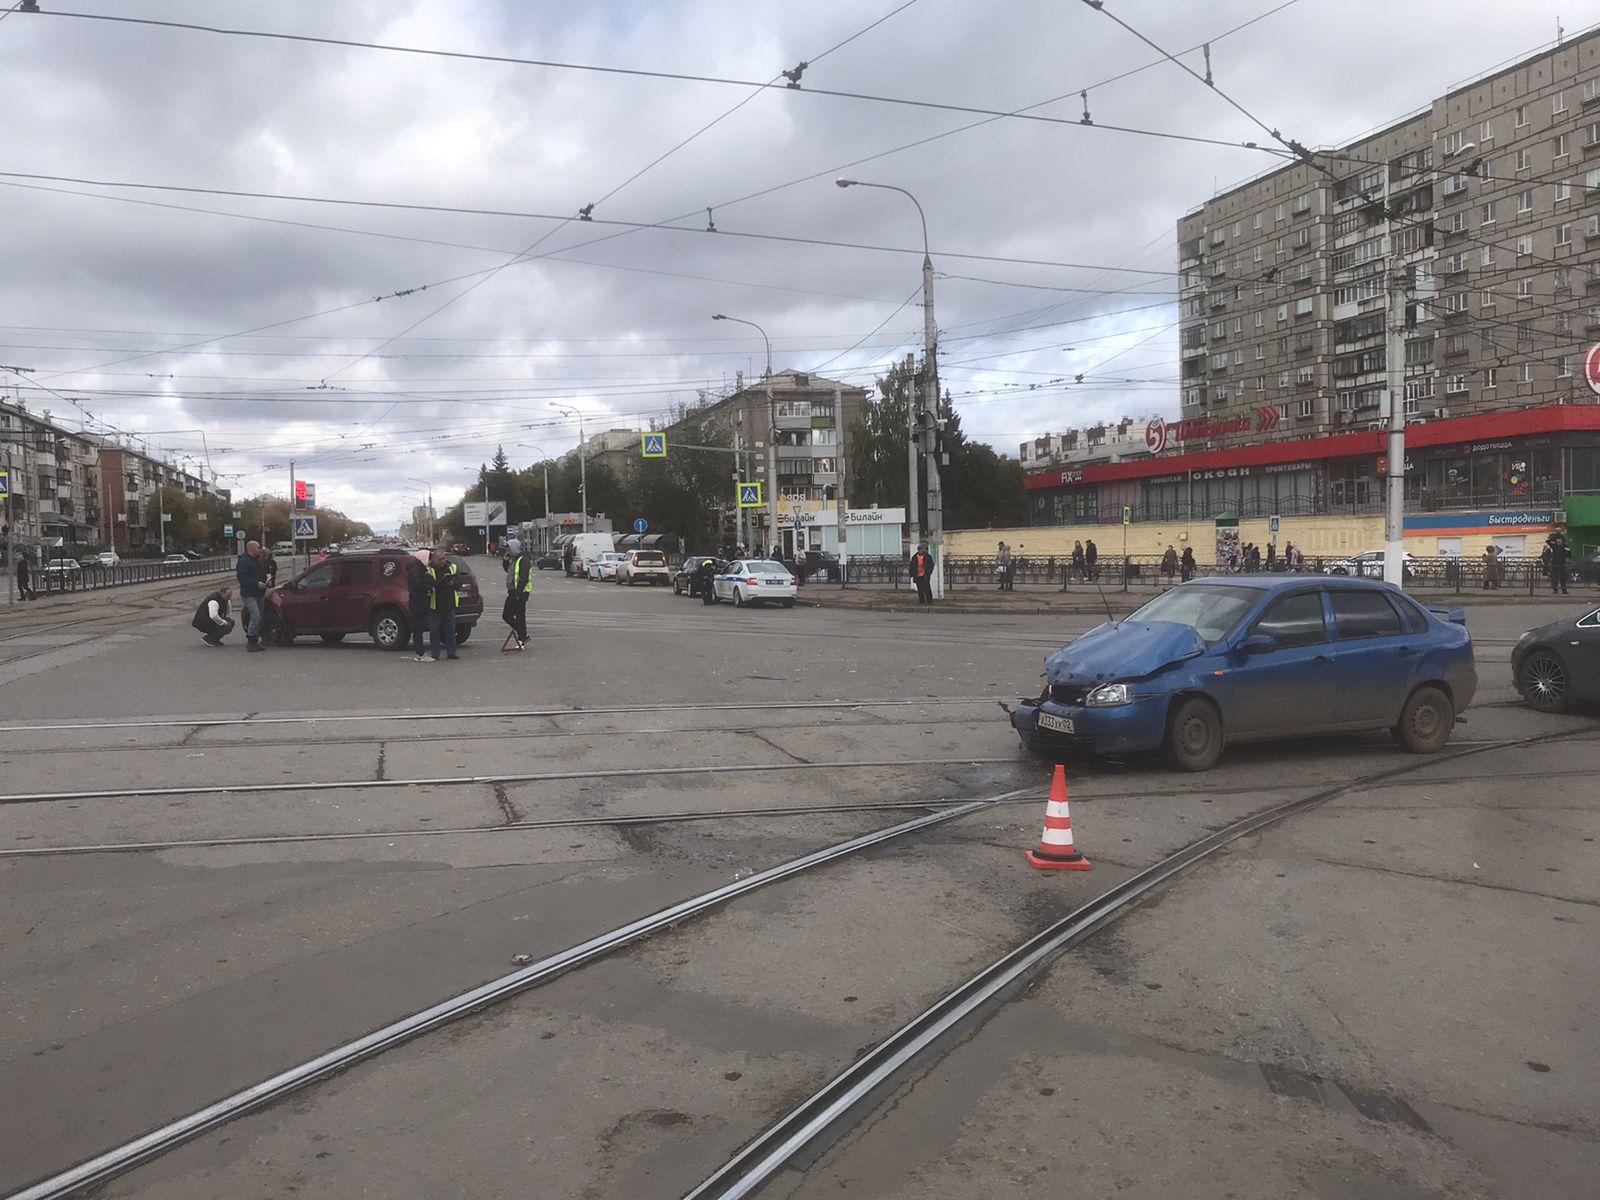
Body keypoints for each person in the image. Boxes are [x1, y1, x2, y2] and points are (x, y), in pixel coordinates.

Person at [426, 548, 461, 661]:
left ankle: (451, 652)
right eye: (440, 559)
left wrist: (453, 582)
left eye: (444, 558)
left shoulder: (452, 568)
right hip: (434, 606)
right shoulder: (428, 569)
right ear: (434, 559)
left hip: (449, 605)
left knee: (450, 630)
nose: (442, 561)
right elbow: (433, 584)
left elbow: (459, 583)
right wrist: (444, 582)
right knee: (434, 631)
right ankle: (435, 654)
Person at [236, 540, 268, 652]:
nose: (260, 550)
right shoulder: (244, 562)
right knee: (256, 616)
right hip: (249, 594)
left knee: (259, 617)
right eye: (258, 548)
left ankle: (256, 640)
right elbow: (242, 578)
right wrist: (256, 583)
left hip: (260, 593)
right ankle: (251, 640)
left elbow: (261, 574)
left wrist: (266, 581)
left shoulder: (258, 561)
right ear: (251, 549)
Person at [503, 547, 533, 649]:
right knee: (516, 616)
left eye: (509, 549)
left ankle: (522, 636)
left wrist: (517, 594)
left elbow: (523, 579)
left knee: (510, 615)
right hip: (513, 592)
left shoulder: (523, 560)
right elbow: (507, 570)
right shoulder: (514, 560)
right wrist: (505, 560)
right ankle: (522, 636)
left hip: (520, 593)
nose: (508, 551)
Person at [406, 551, 433, 661]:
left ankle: (420, 652)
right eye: (429, 558)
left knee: (419, 628)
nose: (430, 561)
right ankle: (420, 653)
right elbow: (418, 583)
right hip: (418, 602)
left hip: (418, 601)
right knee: (418, 628)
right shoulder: (417, 569)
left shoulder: (417, 567)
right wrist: (428, 588)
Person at [1544, 531, 1571, 595]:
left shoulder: (1565, 547)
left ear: (1562, 541)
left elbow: (1569, 555)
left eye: (1560, 540)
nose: (1558, 542)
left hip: (1562, 564)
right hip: (1554, 564)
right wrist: (1555, 536)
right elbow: (1547, 541)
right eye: (1557, 540)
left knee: (1563, 578)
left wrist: (1567, 552)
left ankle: (1564, 590)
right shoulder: (1554, 546)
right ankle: (1555, 590)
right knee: (1554, 578)